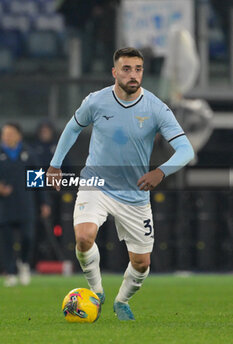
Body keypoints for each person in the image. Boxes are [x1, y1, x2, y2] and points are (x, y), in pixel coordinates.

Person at [46, 47, 194, 320]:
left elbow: (186, 150)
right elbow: (73, 127)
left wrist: (161, 172)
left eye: (138, 69)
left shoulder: (156, 108)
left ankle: (122, 301)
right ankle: (97, 291)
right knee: (82, 237)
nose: (133, 74)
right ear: (115, 72)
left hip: (134, 194)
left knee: (141, 263)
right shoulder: (96, 101)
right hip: (96, 182)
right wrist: (55, 164)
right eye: (126, 69)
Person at [0, 123, 51, 287]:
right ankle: (10, 272)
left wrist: (43, 203)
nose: (6, 136)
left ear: (19, 136)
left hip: (25, 204)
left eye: (10, 133)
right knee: (6, 241)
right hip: (4, 206)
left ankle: (24, 264)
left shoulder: (28, 154)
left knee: (28, 238)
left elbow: (37, 182)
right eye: (4, 133)